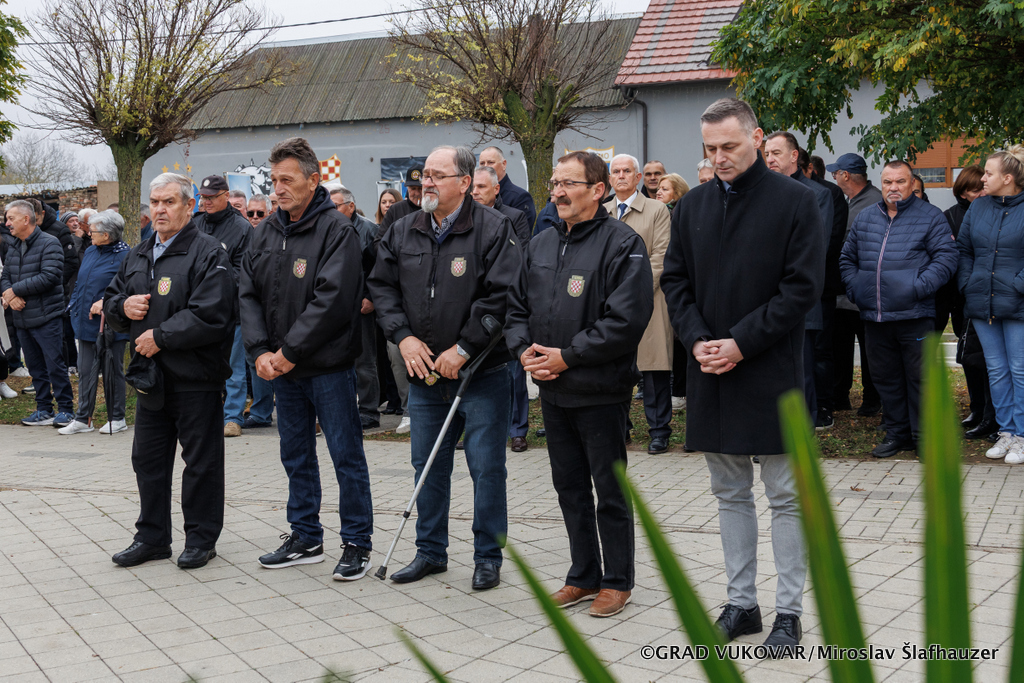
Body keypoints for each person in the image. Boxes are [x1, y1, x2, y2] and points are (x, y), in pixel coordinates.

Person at [661, 98, 824, 651]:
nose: (719, 157)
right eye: (710, 148)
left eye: (729, 146)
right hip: (710, 368)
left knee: (785, 495)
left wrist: (741, 343)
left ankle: (789, 613)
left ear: (756, 138)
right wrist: (697, 341)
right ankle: (742, 604)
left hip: (771, 369)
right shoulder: (692, 205)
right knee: (729, 492)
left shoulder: (797, 201)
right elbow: (675, 282)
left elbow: (801, 289)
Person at [369, 144, 522, 591]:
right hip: (425, 374)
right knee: (427, 466)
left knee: (486, 467)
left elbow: (503, 295)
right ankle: (430, 551)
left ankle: (487, 556)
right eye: (424, 176)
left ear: (465, 182)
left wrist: (465, 347)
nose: (427, 183)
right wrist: (403, 336)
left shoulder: (495, 228)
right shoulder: (403, 229)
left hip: (480, 373)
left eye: (437, 175)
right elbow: (382, 288)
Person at [506, 150, 653, 617]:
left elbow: (626, 320)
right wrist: (523, 350)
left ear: (598, 190)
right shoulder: (541, 243)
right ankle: (583, 575)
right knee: (569, 488)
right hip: (553, 391)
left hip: (600, 390)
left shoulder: (623, 243)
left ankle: (617, 581)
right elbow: (516, 308)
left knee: (609, 490)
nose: (558, 192)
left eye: (569, 183)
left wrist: (567, 356)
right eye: (555, 183)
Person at [241, 138, 375, 580]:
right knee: (295, 453)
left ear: (313, 180)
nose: (277, 189)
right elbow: (248, 294)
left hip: (327, 367)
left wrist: (288, 352)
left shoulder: (337, 231)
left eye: (287, 180)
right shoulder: (264, 232)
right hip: (281, 368)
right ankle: (305, 536)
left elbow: (332, 301)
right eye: (273, 180)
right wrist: (261, 351)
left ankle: (356, 541)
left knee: (345, 455)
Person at [103, 172, 236, 570]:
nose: (160, 209)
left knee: (201, 463)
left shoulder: (209, 252)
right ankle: (152, 537)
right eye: (155, 202)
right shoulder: (139, 253)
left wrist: (161, 336)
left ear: (189, 206)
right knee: (148, 461)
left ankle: (201, 539)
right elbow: (112, 297)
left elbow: (212, 313)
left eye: (169, 202)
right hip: (150, 378)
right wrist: (122, 307)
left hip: (196, 377)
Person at [840, 160, 957, 458]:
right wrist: (857, 290)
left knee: (920, 379)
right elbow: (847, 258)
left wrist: (917, 288)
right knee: (886, 379)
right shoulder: (866, 217)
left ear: (912, 184)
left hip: (914, 315)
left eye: (900, 182)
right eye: (888, 182)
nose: (893, 187)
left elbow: (946, 258)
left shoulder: (930, 217)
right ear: (881, 184)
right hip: (874, 316)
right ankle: (897, 434)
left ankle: (923, 438)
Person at [956, 146, 1024, 462]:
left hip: (1018, 303)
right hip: (982, 300)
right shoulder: (979, 207)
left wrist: (1017, 285)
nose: (982, 178)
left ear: (1007, 178)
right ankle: (1006, 432)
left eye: (988, 173)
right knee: (996, 370)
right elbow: (964, 250)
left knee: (1019, 370)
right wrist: (968, 283)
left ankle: (1022, 435)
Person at [604, 154, 673, 453]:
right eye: (616, 171)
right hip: (609, 303)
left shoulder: (657, 209)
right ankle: (621, 428)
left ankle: (659, 430)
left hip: (650, 299)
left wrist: (634, 292)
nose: (621, 176)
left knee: (654, 368)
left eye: (627, 171)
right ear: (609, 178)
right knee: (615, 366)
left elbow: (661, 255)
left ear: (637, 178)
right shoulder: (601, 211)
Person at [764, 132, 833, 428]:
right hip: (764, 300)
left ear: (794, 156)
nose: (770, 159)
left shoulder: (817, 195)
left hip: (799, 298)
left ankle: (802, 436)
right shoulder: (761, 192)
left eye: (776, 153)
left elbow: (813, 249)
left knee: (800, 372)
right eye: (766, 154)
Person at [472, 165, 531, 452]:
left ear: (496, 189)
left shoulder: (514, 217)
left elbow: (520, 259)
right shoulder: (464, 219)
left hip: (507, 306)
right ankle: (474, 428)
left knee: (513, 371)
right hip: (474, 310)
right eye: (472, 187)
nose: (475, 192)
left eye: (481, 187)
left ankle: (517, 430)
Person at [1, 200, 76, 427]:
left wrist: (15, 290)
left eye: (11, 218)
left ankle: (66, 410)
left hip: (47, 317)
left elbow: (50, 276)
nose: (6, 223)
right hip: (22, 317)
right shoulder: (14, 245)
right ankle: (44, 409)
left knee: (55, 365)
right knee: (35, 367)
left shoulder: (49, 243)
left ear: (26, 219)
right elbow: (5, 276)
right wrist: (10, 295)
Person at [58, 210, 130, 435]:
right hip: (84, 321)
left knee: (112, 371)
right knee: (85, 370)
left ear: (107, 235)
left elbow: (129, 288)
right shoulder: (90, 250)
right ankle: (83, 418)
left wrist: (105, 301)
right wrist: (73, 305)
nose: (89, 233)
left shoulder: (126, 256)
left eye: (94, 231)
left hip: (110, 324)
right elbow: (82, 281)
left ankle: (117, 418)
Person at [194, 175, 252, 437]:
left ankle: (232, 417)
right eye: (203, 197)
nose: (205, 202)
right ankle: (205, 415)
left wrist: (212, 286)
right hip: (198, 310)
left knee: (233, 367)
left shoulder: (242, 228)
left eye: (211, 197)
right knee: (202, 365)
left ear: (226, 196)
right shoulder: (195, 223)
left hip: (230, 310)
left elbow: (245, 271)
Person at [827, 153, 883, 416]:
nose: (834, 178)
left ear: (845, 175)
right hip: (843, 295)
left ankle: (872, 400)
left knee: (871, 351)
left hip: (864, 294)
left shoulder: (874, 203)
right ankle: (840, 397)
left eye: (835, 173)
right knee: (841, 349)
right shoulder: (850, 202)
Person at [942, 166, 993, 438]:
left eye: (983, 188)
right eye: (976, 190)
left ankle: (991, 414)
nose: (982, 193)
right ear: (963, 193)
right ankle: (977, 408)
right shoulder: (950, 216)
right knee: (969, 358)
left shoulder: (993, 212)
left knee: (990, 360)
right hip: (960, 299)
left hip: (985, 298)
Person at [328, 184, 382, 431]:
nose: (331, 211)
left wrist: (371, 297)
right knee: (337, 360)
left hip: (361, 305)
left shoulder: (370, 230)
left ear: (350, 206)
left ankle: (369, 411)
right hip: (334, 305)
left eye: (336, 206)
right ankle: (344, 410)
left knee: (364, 361)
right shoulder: (327, 228)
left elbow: (380, 268)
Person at [478, 146, 537, 230]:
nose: (486, 167)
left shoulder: (520, 198)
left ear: (504, 164)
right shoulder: (474, 195)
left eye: (491, 162)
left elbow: (520, 233)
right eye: (482, 163)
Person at [377, 165, 424, 240]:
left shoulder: (435, 209)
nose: (417, 193)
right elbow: (379, 241)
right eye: (413, 188)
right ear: (408, 188)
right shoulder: (395, 210)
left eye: (420, 188)